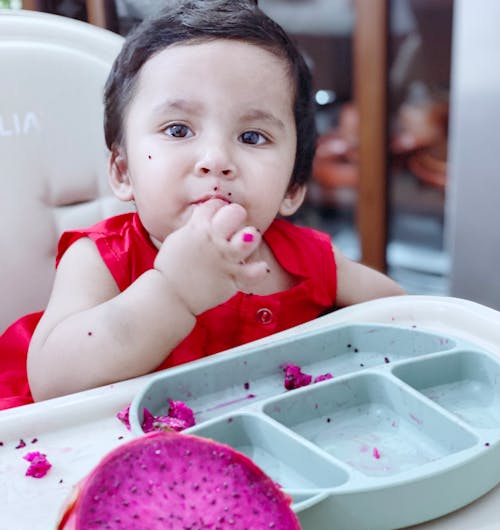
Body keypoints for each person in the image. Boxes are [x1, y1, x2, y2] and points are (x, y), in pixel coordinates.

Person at [0, 0, 404, 410]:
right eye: (178, 129)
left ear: (293, 188)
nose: (216, 159)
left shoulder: (306, 260)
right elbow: (52, 381)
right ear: (123, 172)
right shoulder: (102, 261)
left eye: (252, 137)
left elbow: (406, 317)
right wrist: (173, 292)